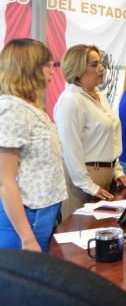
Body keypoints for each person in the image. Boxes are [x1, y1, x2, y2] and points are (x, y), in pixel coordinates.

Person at [0, 38, 67, 252]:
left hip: (42, 214)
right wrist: (27, 239)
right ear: (28, 68)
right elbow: (5, 181)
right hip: (26, 218)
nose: (52, 69)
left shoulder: (30, 107)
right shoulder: (12, 109)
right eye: (47, 64)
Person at [54, 45, 126, 219]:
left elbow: (109, 139)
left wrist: (117, 171)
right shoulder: (70, 100)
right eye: (94, 64)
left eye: (100, 63)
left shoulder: (99, 96)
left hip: (105, 176)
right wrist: (88, 185)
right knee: (79, 230)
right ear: (77, 70)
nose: (102, 68)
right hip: (82, 181)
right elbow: (70, 149)